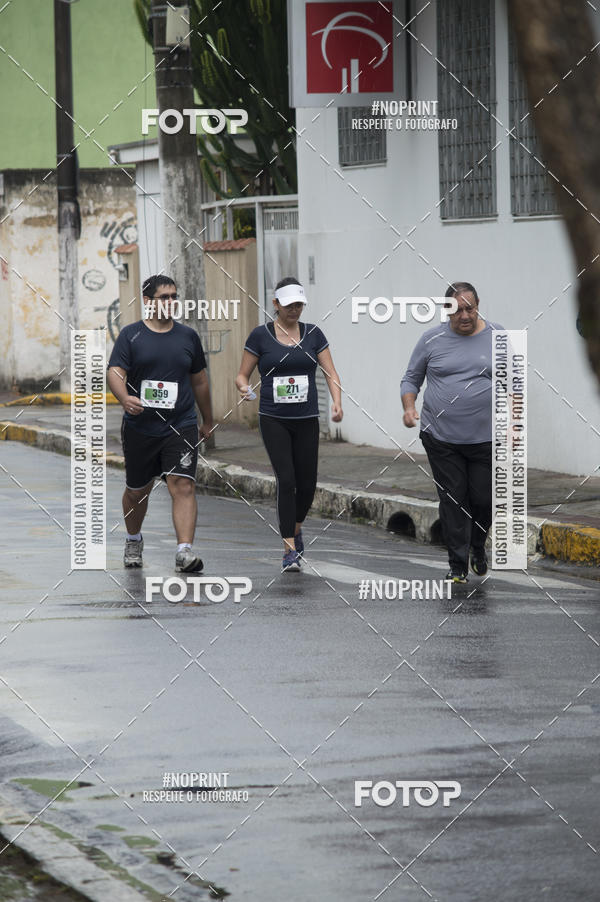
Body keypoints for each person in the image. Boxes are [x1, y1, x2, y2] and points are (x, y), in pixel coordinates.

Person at [235, 278, 343, 572]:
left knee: (307, 484)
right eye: (289, 305)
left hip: (306, 419)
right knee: (287, 479)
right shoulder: (260, 336)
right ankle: (289, 550)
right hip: (274, 419)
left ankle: (295, 528)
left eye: (299, 305)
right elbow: (242, 375)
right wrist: (244, 387)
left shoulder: (313, 334)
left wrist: (337, 402)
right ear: (276, 304)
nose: (294, 310)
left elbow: (331, 372)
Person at [107, 274, 214, 572]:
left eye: (174, 297)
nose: (170, 302)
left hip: (181, 424)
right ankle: (133, 539)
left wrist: (208, 420)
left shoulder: (188, 337)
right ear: (147, 301)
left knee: (183, 485)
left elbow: (200, 381)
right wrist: (124, 398)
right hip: (140, 427)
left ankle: (184, 552)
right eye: (164, 297)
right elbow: (115, 372)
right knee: (137, 491)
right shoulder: (131, 335)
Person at [401, 282, 504, 583]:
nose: (464, 315)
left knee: (483, 500)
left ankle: (477, 546)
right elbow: (411, 379)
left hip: (486, 439)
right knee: (453, 499)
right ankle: (457, 564)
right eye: (457, 310)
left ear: (478, 305)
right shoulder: (431, 339)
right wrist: (409, 407)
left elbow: (514, 382)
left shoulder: (497, 335)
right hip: (441, 437)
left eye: (470, 308)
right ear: (446, 310)